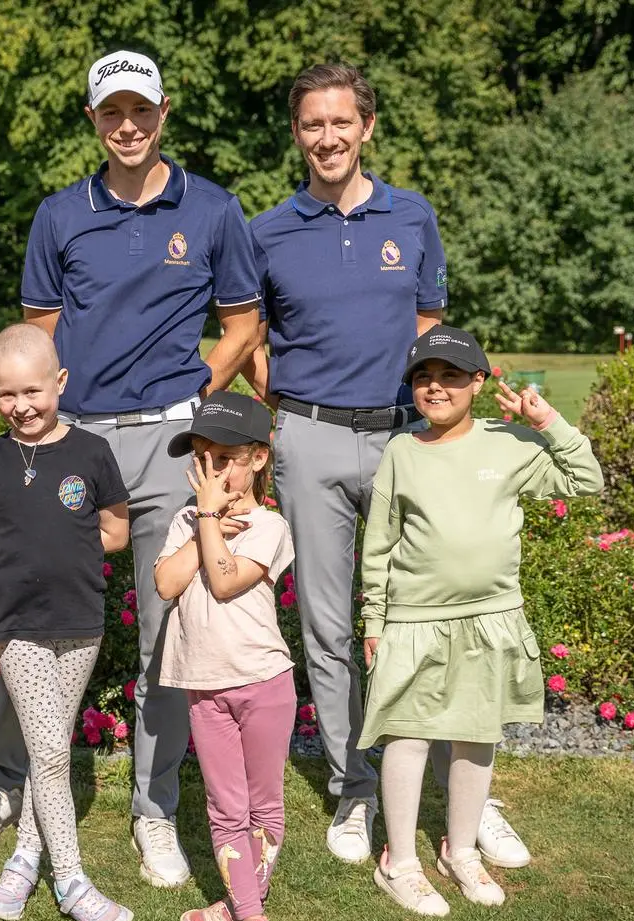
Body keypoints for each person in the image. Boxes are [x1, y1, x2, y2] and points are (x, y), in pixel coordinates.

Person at [0, 49, 263, 889]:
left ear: (165, 112)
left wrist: (201, 390)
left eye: (141, 110)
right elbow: (40, 334)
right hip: (74, 443)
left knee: (168, 631)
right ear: (93, 120)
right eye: (111, 112)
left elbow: (240, 322)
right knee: (32, 609)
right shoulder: (60, 214)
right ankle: (7, 781)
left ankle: (153, 809)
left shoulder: (215, 209)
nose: (127, 125)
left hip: (168, 444)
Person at [247, 62, 529, 867]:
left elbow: (429, 325)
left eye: (341, 122)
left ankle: (466, 795)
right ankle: (354, 785)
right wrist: (284, 419)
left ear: (367, 126)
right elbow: (249, 340)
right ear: (296, 133)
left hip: (409, 438)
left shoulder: (414, 216)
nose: (327, 137)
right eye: (311, 124)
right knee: (329, 627)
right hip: (310, 440)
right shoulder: (268, 231)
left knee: (433, 620)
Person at [358, 327, 603, 914]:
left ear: (479, 383)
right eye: (422, 378)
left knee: (475, 734)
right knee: (408, 733)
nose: (434, 387)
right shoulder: (401, 451)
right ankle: (400, 861)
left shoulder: (510, 442)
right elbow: (380, 542)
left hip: (491, 617)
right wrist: (375, 618)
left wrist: (548, 423)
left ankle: (461, 850)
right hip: (414, 620)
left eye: (448, 376)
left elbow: (585, 480)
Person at [0, 325, 134, 921]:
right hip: (16, 627)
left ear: (59, 383)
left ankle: (23, 859)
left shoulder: (91, 453)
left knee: (47, 749)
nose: (21, 406)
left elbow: (116, 531)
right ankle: (72, 881)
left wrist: (69, 547)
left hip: (80, 623)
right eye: (6, 395)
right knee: (54, 754)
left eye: (32, 390)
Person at [155, 393, 295, 921]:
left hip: (264, 682)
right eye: (203, 458)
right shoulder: (185, 521)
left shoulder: (271, 525)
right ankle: (247, 912)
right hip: (202, 686)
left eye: (228, 459)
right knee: (224, 806)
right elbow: (166, 584)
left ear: (259, 458)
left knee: (262, 806)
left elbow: (223, 580)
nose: (213, 472)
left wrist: (209, 520)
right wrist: (203, 521)